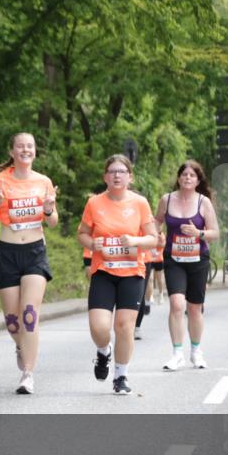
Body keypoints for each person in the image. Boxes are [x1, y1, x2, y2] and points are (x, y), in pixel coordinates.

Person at [0, 132, 58, 395]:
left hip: (35, 251)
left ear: (35, 151)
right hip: (7, 252)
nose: (25, 150)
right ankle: (21, 345)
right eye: (20, 146)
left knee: (29, 315)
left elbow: (53, 220)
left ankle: (28, 374)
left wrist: (48, 209)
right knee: (13, 322)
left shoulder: (44, 181)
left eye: (30, 146)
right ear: (12, 152)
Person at [78, 155, 158, 394]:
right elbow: (82, 234)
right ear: (105, 177)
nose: (116, 175)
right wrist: (93, 244)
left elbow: (153, 238)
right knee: (99, 327)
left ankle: (121, 376)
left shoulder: (140, 203)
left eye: (121, 171)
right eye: (112, 171)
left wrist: (134, 240)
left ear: (129, 177)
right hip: (103, 271)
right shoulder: (94, 203)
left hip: (132, 272)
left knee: (124, 326)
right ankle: (104, 352)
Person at [155, 160, 220, 370]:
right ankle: (176, 354)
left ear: (198, 180)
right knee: (176, 304)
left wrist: (199, 233)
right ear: (179, 178)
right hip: (174, 259)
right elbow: (156, 221)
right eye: (184, 175)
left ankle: (196, 351)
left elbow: (215, 233)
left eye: (192, 175)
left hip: (198, 260)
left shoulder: (204, 202)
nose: (188, 178)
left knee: (194, 308)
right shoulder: (167, 199)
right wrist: (154, 234)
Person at [151, 232, 167, 304]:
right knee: (150, 279)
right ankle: (150, 295)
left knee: (159, 279)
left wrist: (153, 242)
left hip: (159, 259)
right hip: (150, 259)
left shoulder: (161, 234)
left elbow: (163, 245)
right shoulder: (148, 233)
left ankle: (161, 294)